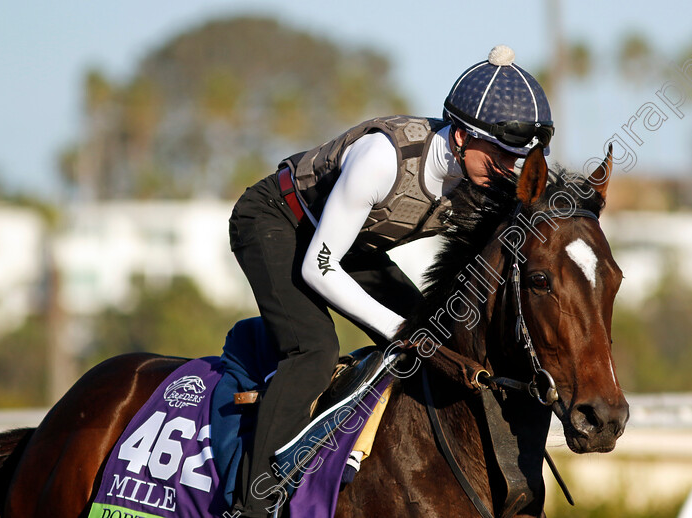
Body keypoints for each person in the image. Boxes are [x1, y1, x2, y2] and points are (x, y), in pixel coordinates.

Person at [228, 44, 554, 517]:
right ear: (460, 136)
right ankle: (252, 504)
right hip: (279, 223)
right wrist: (399, 332)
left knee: (442, 337)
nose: (509, 169)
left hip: (349, 243)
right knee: (314, 350)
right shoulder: (381, 159)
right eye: (501, 155)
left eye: (518, 159)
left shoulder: (482, 177)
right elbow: (317, 265)